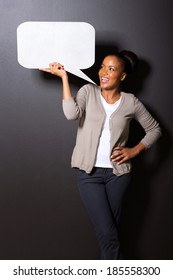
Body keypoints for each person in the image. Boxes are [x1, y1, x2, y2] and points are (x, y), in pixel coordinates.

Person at [40, 50, 161, 259]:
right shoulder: (88, 91)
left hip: (118, 176)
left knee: (109, 235)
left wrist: (133, 150)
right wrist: (64, 78)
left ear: (122, 76)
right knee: (108, 233)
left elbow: (155, 129)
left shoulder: (131, 102)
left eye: (111, 69)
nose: (104, 72)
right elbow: (71, 114)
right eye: (103, 66)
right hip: (89, 175)